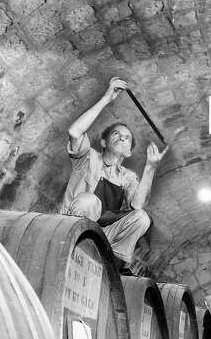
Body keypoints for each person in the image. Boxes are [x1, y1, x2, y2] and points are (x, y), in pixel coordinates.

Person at [60, 76, 168, 274]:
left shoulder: (127, 176)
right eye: (116, 134)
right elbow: (75, 132)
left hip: (103, 236)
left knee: (142, 217)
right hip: (72, 228)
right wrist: (106, 98)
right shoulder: (89, 158)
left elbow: (137, 205)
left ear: (129, 151)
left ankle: (114, 263)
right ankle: (78, 250)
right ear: (104, 143)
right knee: (90, 201)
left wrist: (150, 167)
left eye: (127, 138)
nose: (122, 138)